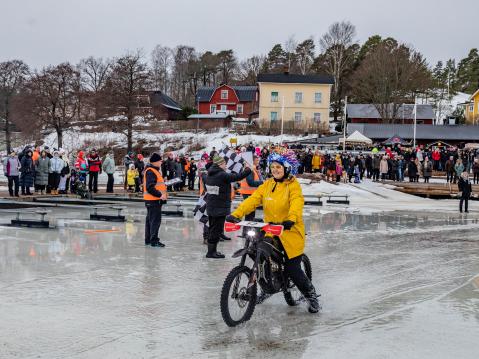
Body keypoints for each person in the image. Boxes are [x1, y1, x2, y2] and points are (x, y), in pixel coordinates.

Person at [227, 150, 320, 313]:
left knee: (292, 268)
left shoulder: (293, 185)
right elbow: (253, 200)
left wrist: (290, 219)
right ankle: (267, 284)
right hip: (271, 229)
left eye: (278, 167)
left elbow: (296, 203)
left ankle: (311, 295)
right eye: (272, 167)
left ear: (287, 168)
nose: (275, 170)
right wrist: (236, 214)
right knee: (259, 252)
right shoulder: (268, 184)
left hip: (290, 231)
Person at [204, 155, 251, 259]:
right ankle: (211, 252)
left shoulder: (210, 174)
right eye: (225, 163)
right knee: (216, 230)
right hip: (219, 207)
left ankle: (212, 251)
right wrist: (248, 169)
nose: (226, 165)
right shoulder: (221, 174)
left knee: (213, 228)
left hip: (212, 205)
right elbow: (237, 177)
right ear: (220, 164)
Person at [144, 152, 167, 247]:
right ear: (155, 162)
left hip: (152, 200)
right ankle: (154, 240)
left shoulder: (154, 170)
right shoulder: (151, 171)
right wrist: (160, 195)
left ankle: (149, 239)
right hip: (154, 200)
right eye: (160, 161)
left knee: (150, 220)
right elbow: (150, 187)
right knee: (155, 221)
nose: (161, 162)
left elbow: (156, 184)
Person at [238, 155, 264, 228]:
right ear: (252, 161)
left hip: (250, 193)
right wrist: (262, 182)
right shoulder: (249, 170)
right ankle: (246, 231)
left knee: (250, 213)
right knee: (249, 213)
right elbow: (251, 183)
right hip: (248, 193)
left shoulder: (253, 169)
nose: (258, 162)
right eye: (256, 160)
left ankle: (247, 231)